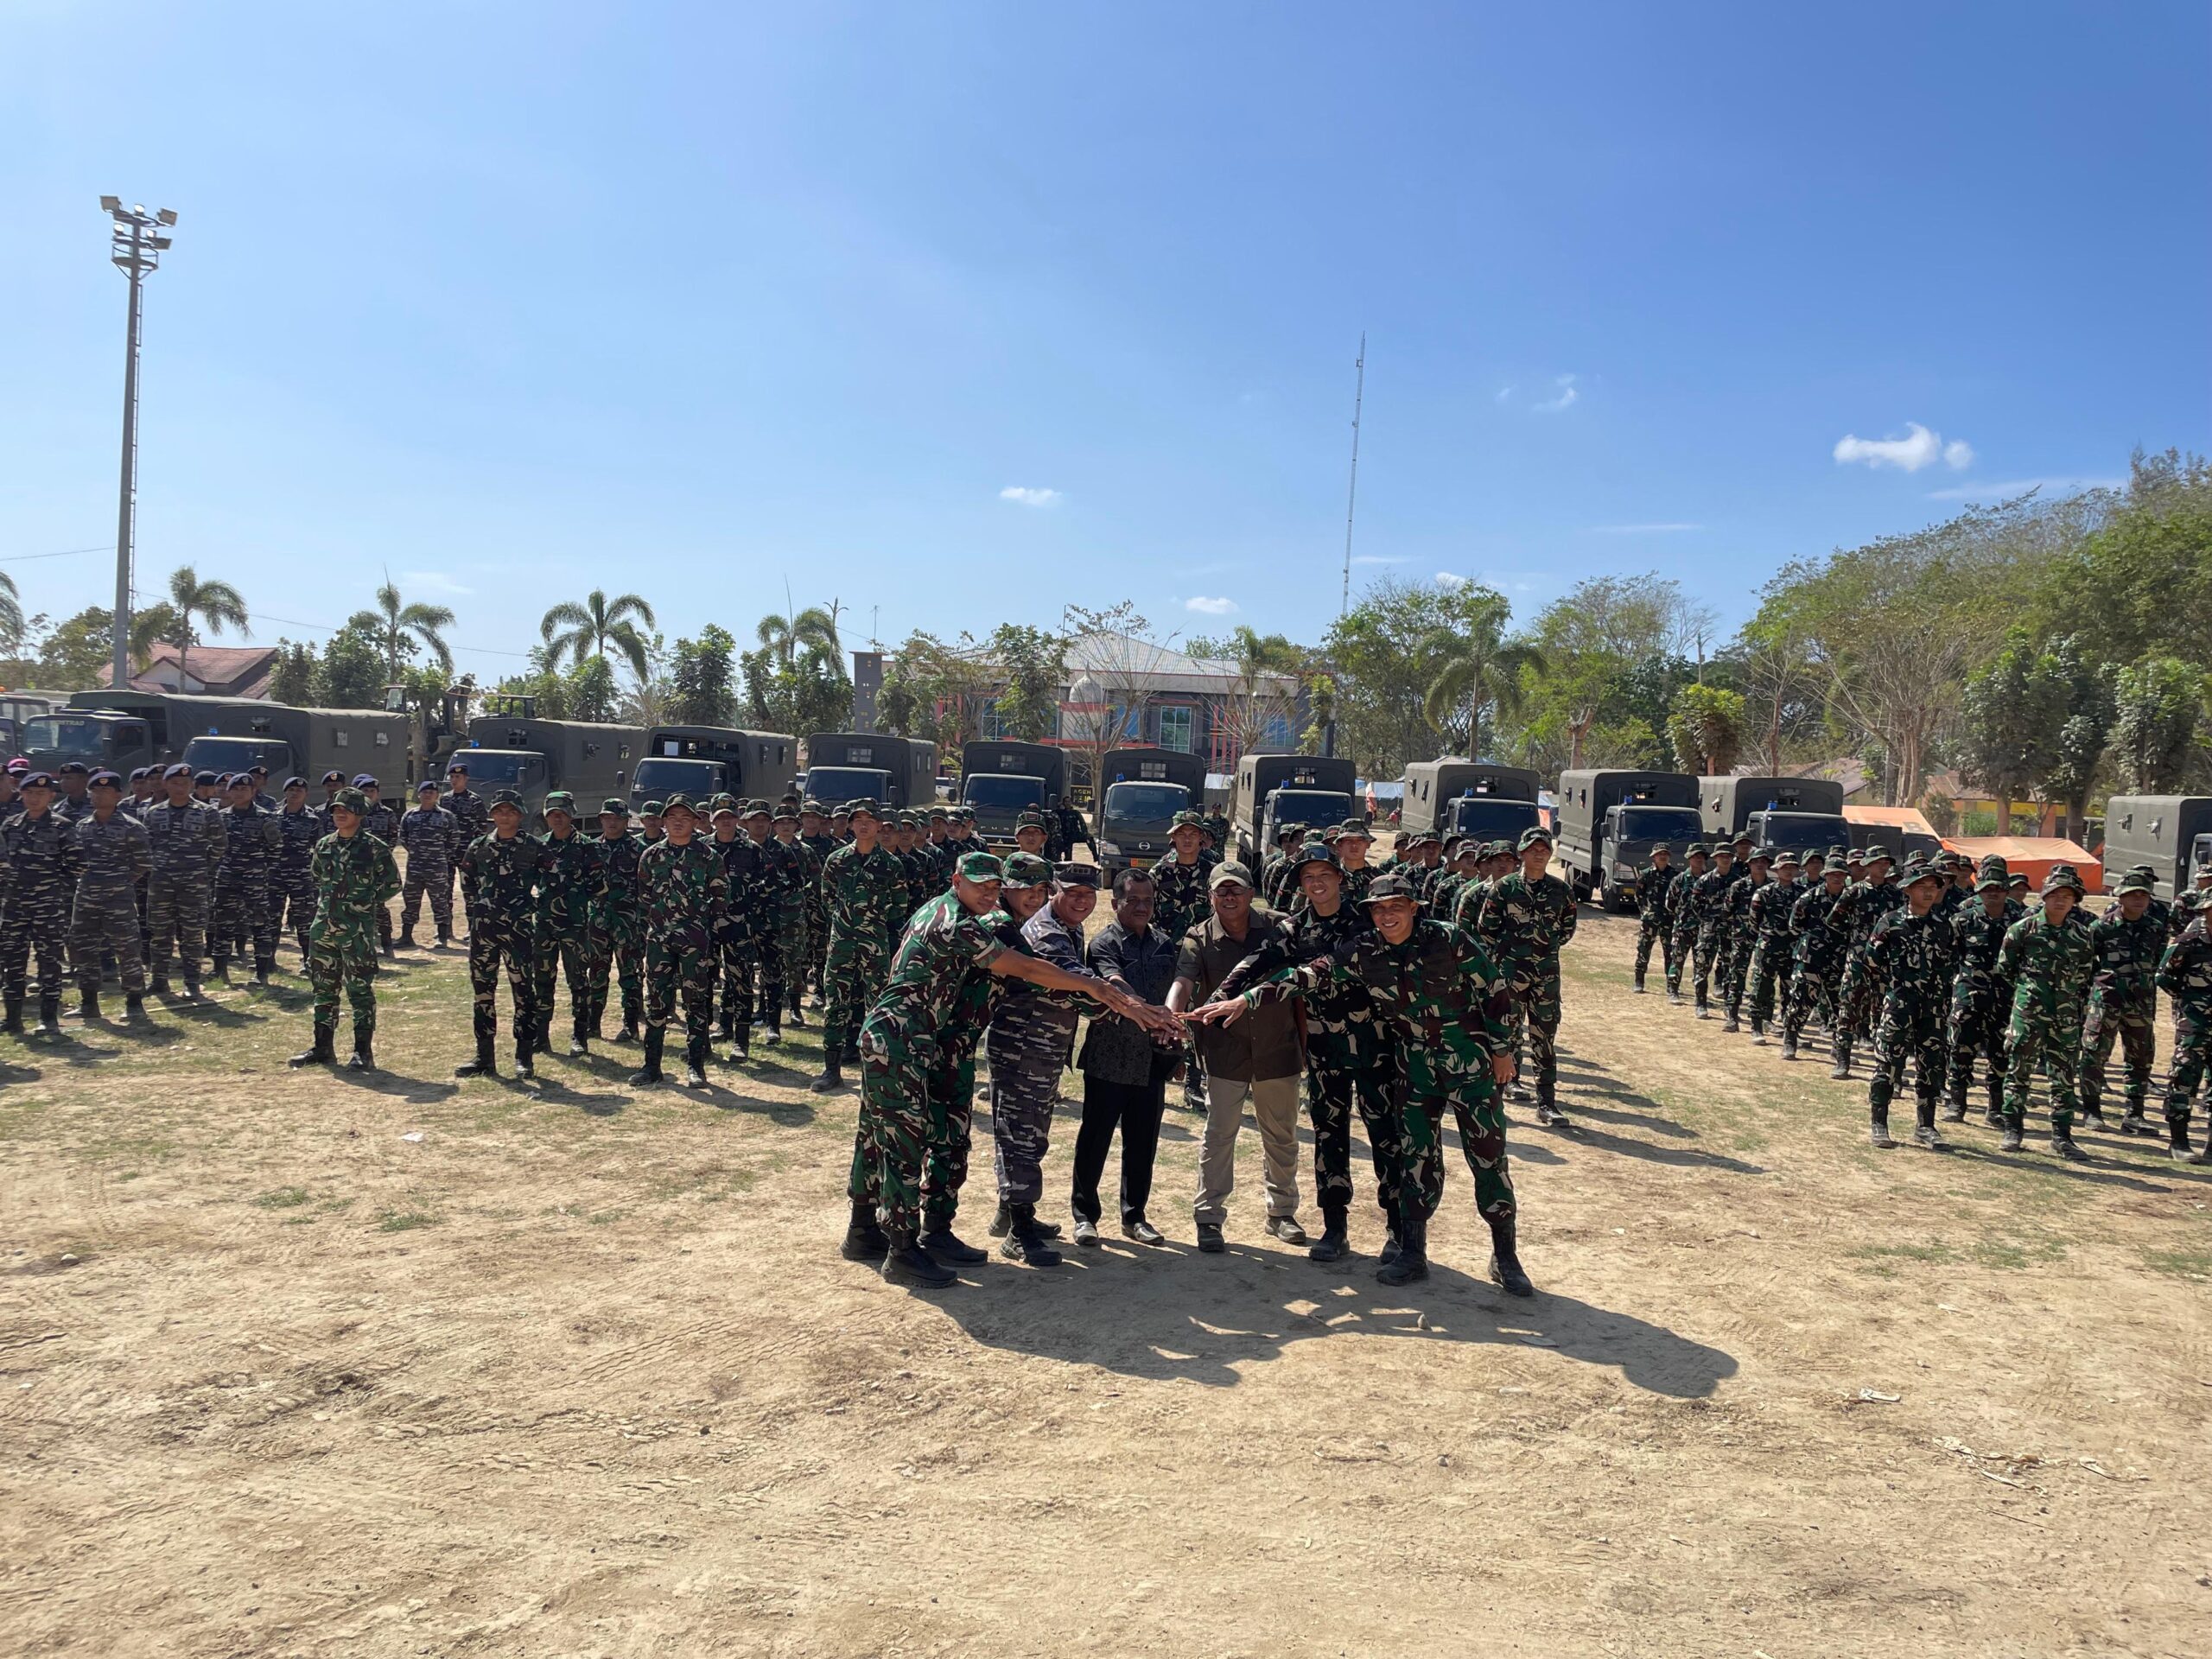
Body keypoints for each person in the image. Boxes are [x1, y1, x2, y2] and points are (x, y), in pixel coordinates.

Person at [843, 849, 1166, 1289]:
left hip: (937, 1041)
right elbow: (1032, 969)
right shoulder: (978, 924)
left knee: (930, 1135)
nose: (1026, 897)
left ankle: (892, 1232)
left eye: (1032, 889)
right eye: (1006, 888)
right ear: (958, 881)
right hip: (901, 1039)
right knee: (901, 1142)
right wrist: (1116, 1001)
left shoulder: (975, 914)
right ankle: (899, 1247)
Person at [1192, 873, 1526, 1294]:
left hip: (1471, 1066)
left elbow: (1496, 993)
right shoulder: (1365, 950)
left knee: (1488, 1158)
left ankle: (1506, 1256)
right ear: (1371, 914)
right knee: (1416, 1158)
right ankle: (1412, 1252)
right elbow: (1307, 974)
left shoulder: (1449, 939)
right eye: (1380, 909)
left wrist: (1502, 1051)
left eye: (1397, 907)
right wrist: (1245, 999)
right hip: (1416, 1067)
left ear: (1414, 909)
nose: (1388, 916)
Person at [1212, 841, 1414, 1262]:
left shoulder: (1366, 920)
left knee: (1386, 1136)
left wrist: (1245, 1000)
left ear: (1340, 878)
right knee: (1329, 1135)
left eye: (1325, 875)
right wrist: (1223, 993)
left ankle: (1397, 1229)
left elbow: (1308, 974)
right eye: (1308, 877)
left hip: (1378, 1046)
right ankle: (1334, 1227)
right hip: (1326, 1049)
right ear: (1300, 884)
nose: (1317, 883)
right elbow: (1258, 959)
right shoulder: (1295, 928)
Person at [1166, 861, 1308, 1254]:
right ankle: (1208, 1217)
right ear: (1211, 897)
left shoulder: (1281, 928)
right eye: (1221, 892)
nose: (1230, 898)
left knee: (1281, 1135)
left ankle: (1281, 1212)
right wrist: (1171, 1015)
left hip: (1278, 1048)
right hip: (1226, 1051)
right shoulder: (1199, 937)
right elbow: (1183, 980)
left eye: (1237, 890)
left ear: (1251, 893)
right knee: (1219, 1135)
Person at [987, 863, 1119, 1266]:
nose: (1081, 901)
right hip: (1023, 1046)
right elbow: (1077, 984)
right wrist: (1124, 1003)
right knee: (1021, 1135)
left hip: (1043, 1046)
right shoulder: (1045, 932)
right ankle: (1019, 1231)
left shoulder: (1069, 926)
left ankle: (1009, 1213)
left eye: (1088, 895)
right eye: (1072, 893)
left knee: (1026, 1130)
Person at [1071, 868, 1181, 1248]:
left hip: (1152, 1061)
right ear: (1116, 902)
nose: (1141, 907)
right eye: (1132, 900)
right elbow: (1113, 982)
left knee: (1142, 1142)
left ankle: (1135, 1216)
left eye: (1147, 900)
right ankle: (1085, 1216)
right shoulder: (1103, 944)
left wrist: (1173, 1025)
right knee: (1094, 1139)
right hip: (1110, 1058)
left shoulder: (1165, 942)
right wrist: (1150, 1011)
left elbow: (1178, 991)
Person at [289, 785, 401, 1071]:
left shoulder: (375, 848)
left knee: (359, 991)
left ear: (360, 814)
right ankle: (322, 1047)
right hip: (323, 928)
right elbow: (317, 878)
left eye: (346, 810)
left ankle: (362, 1051)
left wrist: (362, 903)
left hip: (356, 932)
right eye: (336, 809)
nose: (340, 814)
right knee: (323, 989)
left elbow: (391, 884)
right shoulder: (324, 845)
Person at [1474, 827, 1579, 1125]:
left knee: (1544, 1035)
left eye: (1544, 849)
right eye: (1532, 849)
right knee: (1505, 1033)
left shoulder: (1562, 891)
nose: (1538, 853)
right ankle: (1501, 1092)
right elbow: (1487, 928)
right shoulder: (1504, 888)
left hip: (1546, 975)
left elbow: (1567, 930)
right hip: (1509, 973)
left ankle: (1546, 1101)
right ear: (1522, 853)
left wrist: (1541, 950)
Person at [1996, 865, 2098, 1158]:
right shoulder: (2023, 929)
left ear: (2075, 900)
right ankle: (2013, 1129)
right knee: (2019, 1071)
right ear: (2044, 897)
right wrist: (2030, 992)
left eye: (2068, 896)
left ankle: (2062, 1136)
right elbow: (2006, 968)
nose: (2061, 901)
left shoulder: (2081, 935)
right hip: (2029, 1012)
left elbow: (2084, 973)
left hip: (2065, 1016)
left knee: (2063, 1076)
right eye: (2055, 895)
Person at [1860, 859, 1959, 1149]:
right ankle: (1880, 1123)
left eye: (1933, 887)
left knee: (1931, 1066)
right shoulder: (1890, 922)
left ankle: (1926, 1126)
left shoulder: (1945, 926)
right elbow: (1871, 960)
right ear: (1907, 890)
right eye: (1922, 887)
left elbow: (1951, 964)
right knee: (1888, 1063)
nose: (1929, 893)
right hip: (1900, 1004)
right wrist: (1889, 992)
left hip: (1934, 1008)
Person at [810, 800, 906, 1093]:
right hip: (841, 943)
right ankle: (832, 1069)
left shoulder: (891, 864)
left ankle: (874, 1072)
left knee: (876, 1006)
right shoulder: (837, 860)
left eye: (870, 820)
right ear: (851, 825)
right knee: (835, 1005)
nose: (864, 825)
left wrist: (871, 922)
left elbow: (899, 906)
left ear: (879, 826)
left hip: (874, 945)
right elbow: (827, 899)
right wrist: (847, 923)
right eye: (858, 820)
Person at [632, 793, 727, 1089]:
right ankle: (652, 1066)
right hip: (659, 940)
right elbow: (644, 895)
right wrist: (663, 923)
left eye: (684, 818)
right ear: (663, 822)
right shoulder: (652, 856)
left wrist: (696, 924)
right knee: (657, 1002)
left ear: (695, 822)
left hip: (695, 942)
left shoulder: (708, 857)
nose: (677, 822)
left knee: (695, 1003)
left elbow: (720, 898)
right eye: (672, 817)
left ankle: (696, 1065)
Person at [454, 788, 548, 1082]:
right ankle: (484, 1057)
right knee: (483, 993)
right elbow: (467, 881)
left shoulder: (533, 847)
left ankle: (524, 1057)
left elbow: (552, 881)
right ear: (492, 815)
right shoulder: (479, 846)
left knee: (523, 993)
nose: (504, 816)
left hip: (518, 930)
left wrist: (530, 905)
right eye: (499, 811)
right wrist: (476, 909)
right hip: (484, 930)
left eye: (510, 811)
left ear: (519, 815)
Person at [2076, 867, 2164, 1134]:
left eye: (2143, 895)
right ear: (2120, 897)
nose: (2138, 899)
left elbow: (2158, 960)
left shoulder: (2156, 928)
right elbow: (2086, 963)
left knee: (2140, 1057)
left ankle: (2135, 1114)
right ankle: (2092, 1111)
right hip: (2106, 1001)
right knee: (2094, 1054)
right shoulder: (2101, 927)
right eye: (2132, 894)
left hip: (2141, 1002)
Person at [1, 772, 82, 1036]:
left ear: (51, 796)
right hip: (13, 906)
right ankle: (13, 1018)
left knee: (49, 961)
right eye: (30, 793)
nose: (35, 798)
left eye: (41, 794)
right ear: (21, 794)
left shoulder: (62, 827)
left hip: (48, 906)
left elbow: (79, 865)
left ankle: (48, 1017)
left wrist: (56, 886)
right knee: (12, 961)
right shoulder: (10, 826)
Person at [1946, 856, 2024, 1125]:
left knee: (2001, 1053)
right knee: (1961, 1049)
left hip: (2006, 997)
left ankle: (1996, 1109)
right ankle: (1957, 1104)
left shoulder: (2021, 920)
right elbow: (1950, 958)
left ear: (2006, 889)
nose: (1994, 893)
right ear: (1979, 890)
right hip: (1969, 996)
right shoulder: (1962, 920)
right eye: (1988, 889)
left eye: (1999, 889)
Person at [68, 771, 149, 1021]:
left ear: (118, 795)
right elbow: (73, 860)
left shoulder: (132, 827)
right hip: (85, 898)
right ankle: (89, 1002)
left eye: (105, 791)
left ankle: (134, 1002)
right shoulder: (82, 827)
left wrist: (121, 882)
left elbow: (143, 862)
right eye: (95, 791)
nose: (99, 795)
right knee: (83, 949)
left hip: (118, 899)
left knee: (127, 950)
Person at [141, 761, 225, 1001]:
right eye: (175, 783)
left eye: (185, 784)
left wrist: (201, 866)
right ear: (166, 784)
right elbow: (147, 845)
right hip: (161, 882)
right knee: (160, 932)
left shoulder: (207, 813)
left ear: (192, 785)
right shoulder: (154, 813)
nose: (180, 788)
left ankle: (192, 982)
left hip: (194, 882)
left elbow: (220, 844)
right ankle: (159, 981)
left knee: (191, 934)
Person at [533, 791, 606, 1058]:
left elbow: (599, 885)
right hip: (544, 926)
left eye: (562, 813)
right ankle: (541, 1036)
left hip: (575, 926)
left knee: (578, 982)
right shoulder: (539, 845)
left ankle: (579, 1036)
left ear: (571, 814)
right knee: (542, 980)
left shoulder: (587, 846)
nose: (557, 818)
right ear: (546, 816)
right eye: (552, 813)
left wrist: (575, 900)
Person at [1825, 844, 1903, 1078]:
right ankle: (1843, 1059)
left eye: (1886, 862)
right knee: (1849, 1009)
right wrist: (1857, 937)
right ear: (1867, 865)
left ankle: (1885, 1067)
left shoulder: (1896, 894)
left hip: (1885, 963)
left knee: (1884, 1013)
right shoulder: (1854, 892)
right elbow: (1834, 920)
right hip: (1858, 960)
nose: (1884, 866)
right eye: (1879, 862)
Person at [1780, 853, 1852, 1062]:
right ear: (1825, 875)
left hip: (1839, 960)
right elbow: (1794, 926)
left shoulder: (1850, 899)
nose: (1837, 878)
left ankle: (1839, 1049)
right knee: (1802, 1001)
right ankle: (1790, 1040)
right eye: (1832, 874)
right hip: (1811, 958)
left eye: (1841, 874)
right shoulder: (1809, 898)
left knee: (1841, 1006)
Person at [212, 773, 281, 986]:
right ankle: (219, 971)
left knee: (259, 924)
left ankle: (261, 973)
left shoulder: (265, 818)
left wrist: (259, 868)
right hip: (227, 878)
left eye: (245, 789)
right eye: (236, 789)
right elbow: (213, 847)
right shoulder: (221, 817)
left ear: (253, 792)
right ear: (229, 792)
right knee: (223, 924)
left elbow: (275, 848)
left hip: (255, 880)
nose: (240, 792)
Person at [587, 798, 646, 1044]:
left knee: (630, 974)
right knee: (597, 973)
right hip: (598, 921)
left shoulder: (639, 849)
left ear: (625, 821)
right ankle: (593, 1025)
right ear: (601, 819)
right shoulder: (591, 848)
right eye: (607, 817)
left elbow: (647, 885)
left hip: (628, 922)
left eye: (617, 818)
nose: (612, 822)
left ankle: (630, 1025)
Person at [2155, 906, 2212, 1162]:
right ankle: (2179, 1142)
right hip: (2195, 1022)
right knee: (2184, 1076)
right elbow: (2164, 977)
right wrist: (2190, 1003)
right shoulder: (2189, 940)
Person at [1743, 850, 1800, 1044]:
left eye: (1792, 867)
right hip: (1768, 947)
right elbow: (1754, 922)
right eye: (1785, 868)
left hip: (1791, 949)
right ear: (1777, 870)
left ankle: (1788, 1029)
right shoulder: (1764, 893)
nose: (1789, 871)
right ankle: (1756, 1027)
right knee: (1761, 987)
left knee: (1790, 990)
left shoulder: (1801, 894)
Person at [396, 779, 457, 950]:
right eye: (424, 792)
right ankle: (406, 936)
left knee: (440, 901)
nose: (428, 794)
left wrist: (440, 856)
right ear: (419, 794)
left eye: (431, 792)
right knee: (411, 901)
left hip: (437, 867)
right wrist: (418, 853)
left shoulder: (446, 816)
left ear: (437, 796)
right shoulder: (410, 815)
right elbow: (404, 838)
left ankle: (442, 937)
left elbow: (454, 840)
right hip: (415, 867)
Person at [1719, 846, 1770, 1033]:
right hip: (1741, 938)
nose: (1759, 865)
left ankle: (1765, 1017)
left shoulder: (1772, 888)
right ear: (1749, 864)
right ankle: (1732, 1015)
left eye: (1763, 862)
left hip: (1765, 939)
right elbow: (1727, 913)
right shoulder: (1738, 886)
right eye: (1756, 861)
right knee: (1736, 976)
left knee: (1765, 979)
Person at [271, 776, 323, 962]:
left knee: (304, 920)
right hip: (275, 875)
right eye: (291, 790)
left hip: (301, 876)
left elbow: (319, 848)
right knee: (271, 918)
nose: (294, 793)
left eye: (299, 791)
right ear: (285, 792)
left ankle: (308, 961)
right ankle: (267, 961)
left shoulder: (312, 820)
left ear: (306, 795)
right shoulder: (272, 816)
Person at [439, 760, 490, 941]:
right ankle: (446, 929)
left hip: (467, 853)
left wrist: (475, 849)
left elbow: (483, 826)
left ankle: (471, 927)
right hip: (448, 852)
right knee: (445, 891)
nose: (454, 780)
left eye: (458, 777)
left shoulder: (474, 800)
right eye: (452, 777)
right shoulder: (444, 799)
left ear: (465, 779)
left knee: (469, 891)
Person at [1663, 843, 1711, 1004]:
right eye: (1695, 856)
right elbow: (1670, 903)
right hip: (1683, 928)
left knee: (1702, 963)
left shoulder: (1709, 880)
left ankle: (1700, 996)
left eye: (1701, 856)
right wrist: (1681, 917)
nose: (1699, 859)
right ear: (1689, 858)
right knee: (1677, 960)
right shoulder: (1680, 879)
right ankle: (1673, 990)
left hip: (1702, 930)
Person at [1631, 843, 1679, 995]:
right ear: (1653, 857)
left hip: (1668, 920)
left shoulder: (1675, 875)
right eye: (1659, 854)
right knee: (1644, 949)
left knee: (1670, 952)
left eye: (1665, 854)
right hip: (1650, 919)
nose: (1662, 856)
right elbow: (1639, 895)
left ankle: (1671, 985)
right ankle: (1639, 981)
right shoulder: (1646, 874)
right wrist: (1645, 912)